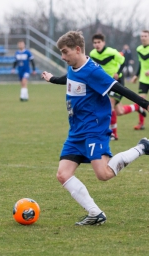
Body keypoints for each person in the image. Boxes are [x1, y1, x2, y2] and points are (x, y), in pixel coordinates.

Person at [41, 30, 149, 225]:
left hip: (94, 129)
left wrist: (145, 104)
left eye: (65, 52)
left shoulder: (93, 71)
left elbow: (118, 88)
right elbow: (70, 78)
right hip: (76, 131)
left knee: (104, 174)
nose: (63, 57)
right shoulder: (76, 68)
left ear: (77, 49)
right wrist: (52, 79)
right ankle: (95, 214)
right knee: (63, 174)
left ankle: (143, 147)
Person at [89, 33, 146, 140]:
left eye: (99, 42)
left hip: (117, 82)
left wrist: (117, 72)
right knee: (119, 111)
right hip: (104, 83)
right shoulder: (92, 54)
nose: (97, 45)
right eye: (95, 43)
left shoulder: (112, 52)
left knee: (110, 104)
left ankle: (113, 134)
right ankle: (136, 107)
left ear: (103, 42)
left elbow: (123, 62)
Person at [130, 30, 149, 130]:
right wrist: (136, 75)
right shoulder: (139, 49)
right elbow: (141, 64)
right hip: (143, 79)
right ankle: (141, 124)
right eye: (142, 36)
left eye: (145, 36)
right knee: (141, 101)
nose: (143, 38)